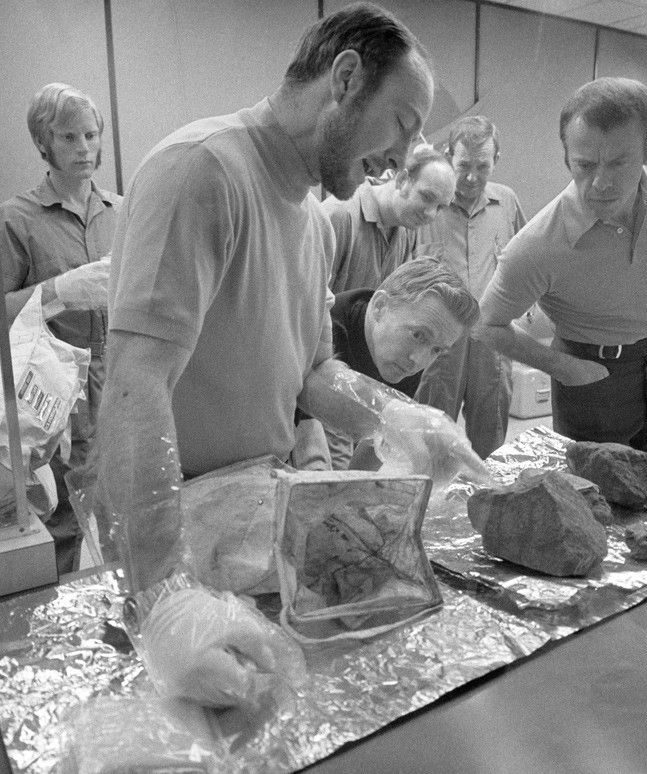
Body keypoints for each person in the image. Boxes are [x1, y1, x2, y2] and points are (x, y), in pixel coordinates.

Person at [96, 3, 485, 709]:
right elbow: (135, 383)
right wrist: (161, 602)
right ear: (344, 78)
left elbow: (312, 372)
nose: (405, 155)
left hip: (242, 526)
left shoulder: (308, 220)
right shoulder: (203, 171)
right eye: (403, 123)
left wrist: (400, 418)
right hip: (165, 540)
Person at [477, 77, 647, 469]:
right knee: (595, 506)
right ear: (567, 159)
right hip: (589, 375)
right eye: (584, 165)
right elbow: (486, 325)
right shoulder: (537, 245)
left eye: (618, 162)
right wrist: (563, 368)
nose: (601, 182)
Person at [0, 83, 121, 574]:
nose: (83, 148)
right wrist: (59, 293)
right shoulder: (16, 220)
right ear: (43, 143)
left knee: (122, 520)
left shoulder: (123, 214)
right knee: (58, 525)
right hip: (53, 400)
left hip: (119, 389)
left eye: (91, 135)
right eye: (69, 137)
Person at [413, 116, 526, 459]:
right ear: (448, 156)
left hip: (491, 343)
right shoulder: (427, 204)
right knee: (430, 439)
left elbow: (526, 262)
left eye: (483, 165)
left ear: (497, 160)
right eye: (463, 165)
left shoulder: (506, 203)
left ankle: (486, 504)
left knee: (490, 442)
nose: (472, 176)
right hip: (437, 342)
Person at [322, 256, 479, 469]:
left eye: (436, 350)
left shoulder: (403, 358)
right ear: (379, 307)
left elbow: (374, 445)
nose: (419, 361)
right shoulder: (327, 331)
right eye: (417, 335)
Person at [322, 142, 455, 294]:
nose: (431, 214)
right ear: (402, 180)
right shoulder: (340, 216)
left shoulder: (407, 229)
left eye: (440, 207)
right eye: (427, 197)